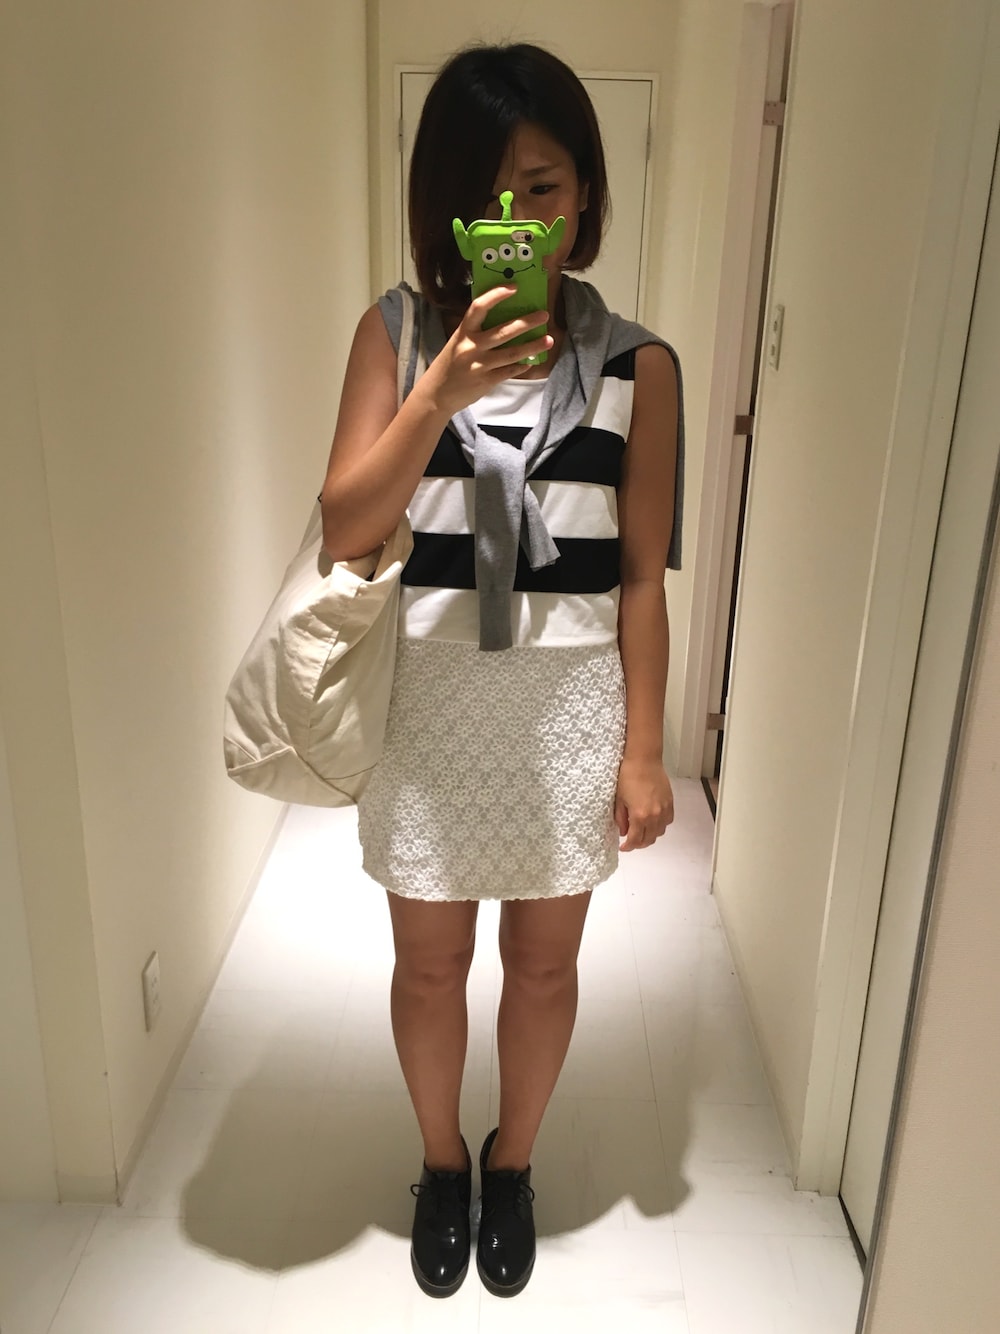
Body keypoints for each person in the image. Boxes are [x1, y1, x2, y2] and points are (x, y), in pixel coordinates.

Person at [319, 41, 683, 1300]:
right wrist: (438, 391)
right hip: (427, 702)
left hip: (567, 707)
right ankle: (440, 1163)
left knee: (542, 966)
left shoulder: (640, 367)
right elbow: (343, 525)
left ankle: (510, 1163)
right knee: (428, 966)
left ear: (583, 199)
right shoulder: (396, 332)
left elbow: (641, 577)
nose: (515, 218)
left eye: (542, 187)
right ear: (443, 210)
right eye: (485, 195)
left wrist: (643, 750)